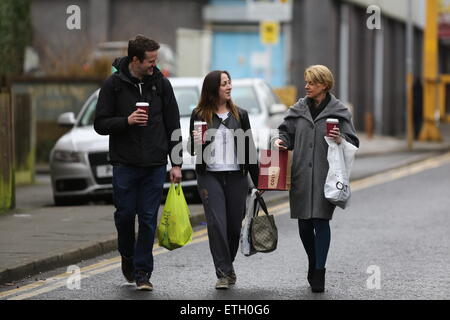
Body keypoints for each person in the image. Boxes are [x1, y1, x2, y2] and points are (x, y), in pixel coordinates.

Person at [94, 35, 183, 291]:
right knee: (124, 216)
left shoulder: (162, 85)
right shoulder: (113, 85)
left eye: (156, 60)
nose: (154, 65)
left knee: (147, 219)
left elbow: (173, 125)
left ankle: (143, 272)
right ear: (135, 60)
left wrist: (175, 163)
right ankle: (127, 256)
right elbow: (100, 124)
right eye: (150, 61)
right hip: (124, 164)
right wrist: (127, 121)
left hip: (154, 164)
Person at [272, 65, 359, 293]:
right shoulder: (298, 109)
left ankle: (319, 271)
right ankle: (313, 260)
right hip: (300, 174)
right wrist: (280, 141)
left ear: (324, 85)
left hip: (325, 176)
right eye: (306, 82)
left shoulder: (339, 110)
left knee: (321, 222)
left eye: (311, 82)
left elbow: (353, 141)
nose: (306, 86)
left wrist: (339, 137)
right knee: (304, 225)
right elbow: (285, 133)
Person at [187, 70, 259, 290]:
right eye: (224, 84)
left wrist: (259, 182)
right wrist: (196, 142)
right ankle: (224, 273)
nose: (229, 87)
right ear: (212, 89)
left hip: (237, 176)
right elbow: (191, 149)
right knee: (217, 224)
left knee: (233, 229)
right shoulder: (199, 115)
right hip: (209, 176)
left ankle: (227, 267)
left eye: (229, 83)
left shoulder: (241, 115)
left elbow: (249, 150)